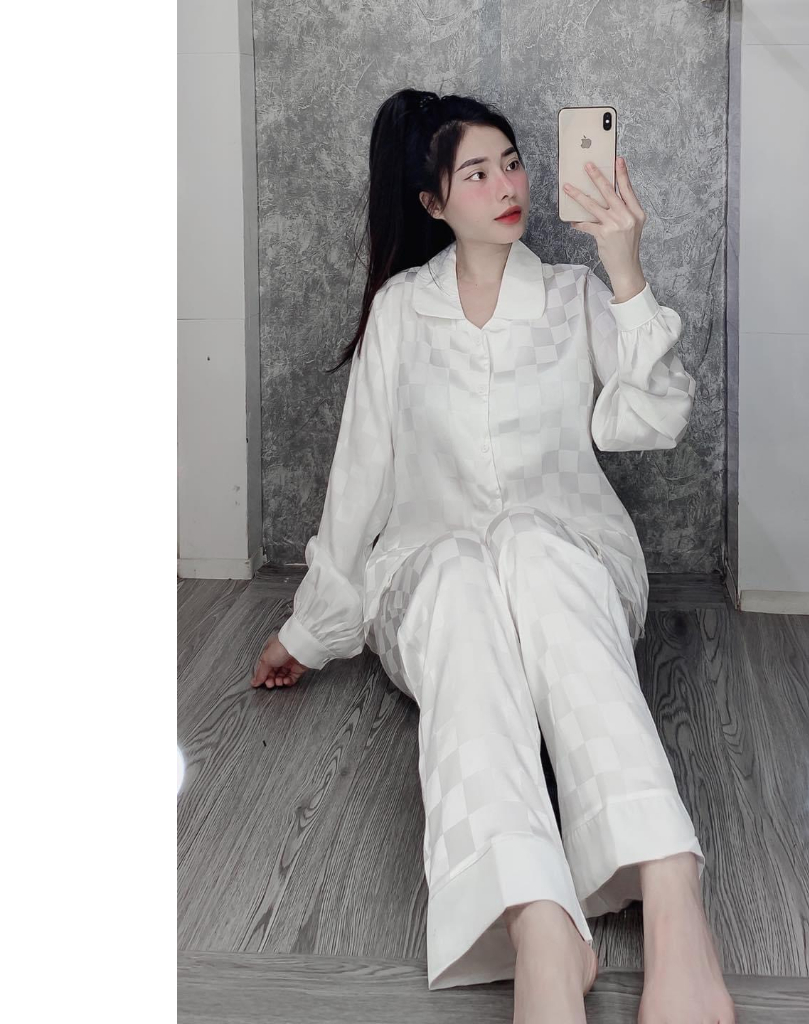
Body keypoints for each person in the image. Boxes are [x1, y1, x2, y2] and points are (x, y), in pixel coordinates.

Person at [252, 88, 735, 1024]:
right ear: (433, 203)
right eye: (476, 173)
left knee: (526, 545)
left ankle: (673, 896)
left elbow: (650, 421)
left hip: (570, 564)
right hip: (435, 580)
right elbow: (359, 481)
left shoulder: (571, 295)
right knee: (463, 569)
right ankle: (540, 928)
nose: (507, 184)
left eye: (512, 162)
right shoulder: (402, 311)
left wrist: (625, 268)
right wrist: (307, 634)